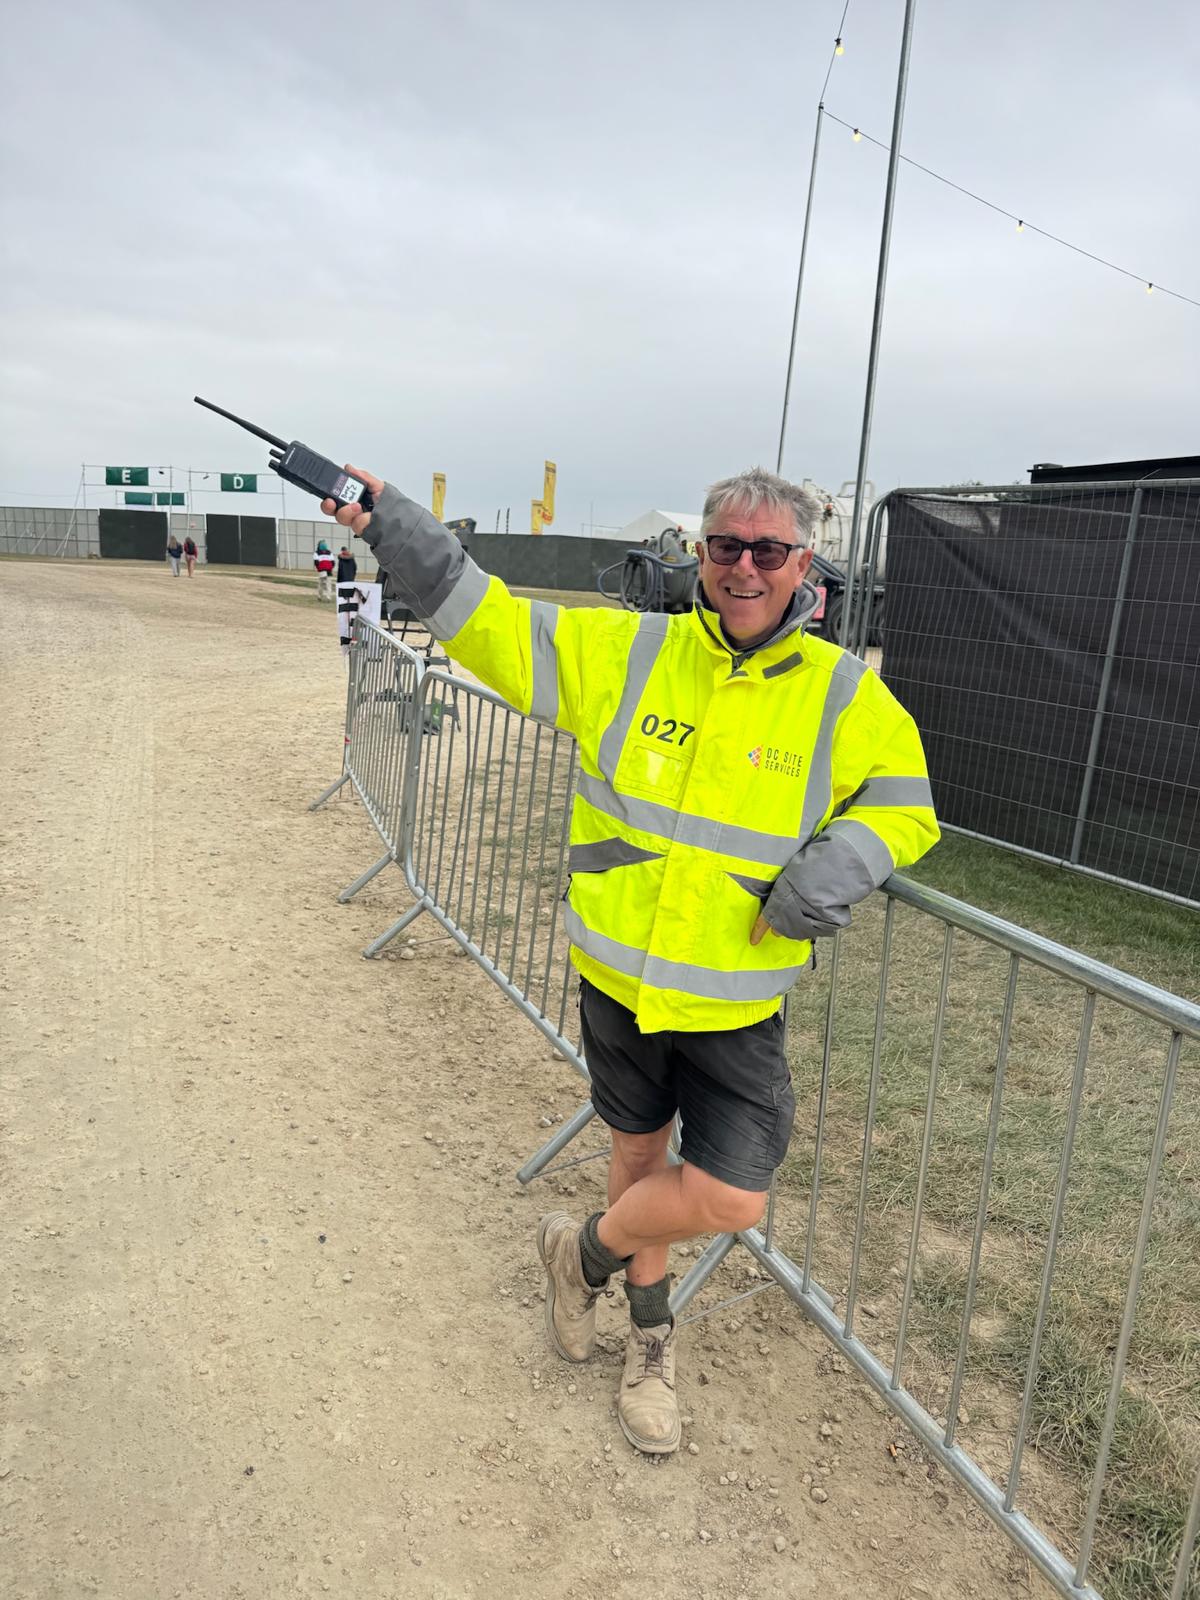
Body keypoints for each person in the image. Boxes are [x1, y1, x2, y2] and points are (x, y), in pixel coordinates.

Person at [322, 463, 939, 1456]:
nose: (744, 568)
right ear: (701, 553)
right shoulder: (628, 649)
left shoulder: (846, 697)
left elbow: (906, 803)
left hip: (734, 999)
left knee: (731, 1196)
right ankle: (651, 1345)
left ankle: (580, 1254)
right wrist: (390, 522)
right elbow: (491, 622)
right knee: (638, 1160)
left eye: (768, 550)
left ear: (805, 565)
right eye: (726, 546)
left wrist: (843, 860)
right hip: (618, 981)